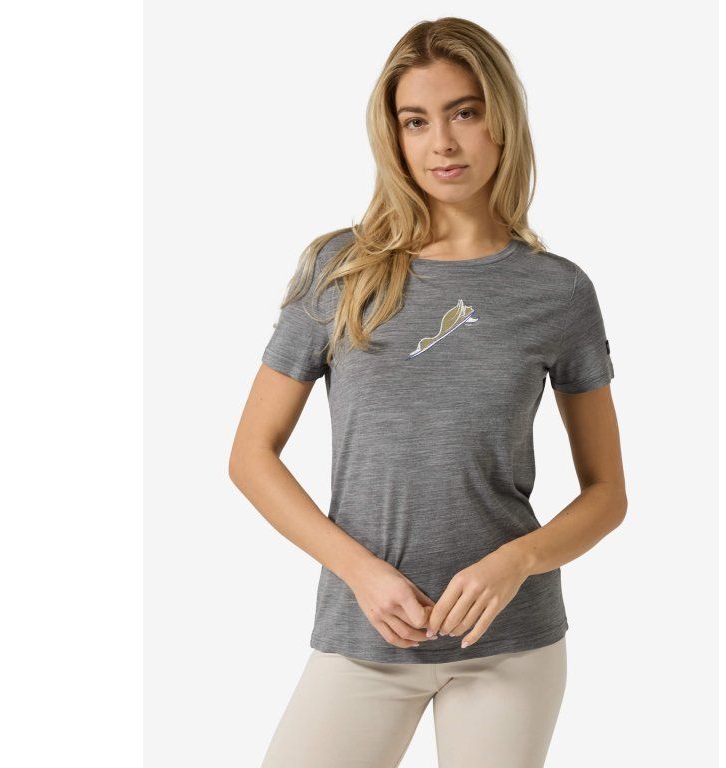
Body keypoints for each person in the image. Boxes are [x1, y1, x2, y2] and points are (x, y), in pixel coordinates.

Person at [228, 17, 627, 768]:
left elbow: (607, 494)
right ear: (394, 135)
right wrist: (360, 573)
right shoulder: (340, 270)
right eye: (416, 121)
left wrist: (516, 563)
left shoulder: (558, 292)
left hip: (510, 646)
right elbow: (252, 455)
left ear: (502, 120)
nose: (442, 142)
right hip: (366, 632)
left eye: (464, 113)